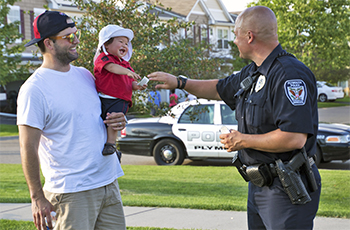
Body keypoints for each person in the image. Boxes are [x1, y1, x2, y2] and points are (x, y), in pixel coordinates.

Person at [148, 6, 321, 230]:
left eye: (235, 34)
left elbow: (293, 138)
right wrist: (180, 82)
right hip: (260, 185)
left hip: (286, 188)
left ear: (250, 36)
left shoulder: (289, 75)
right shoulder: (253, 72)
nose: (234, 40)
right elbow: (219, 88)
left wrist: (243, 140)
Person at [18, 11, 127, 230]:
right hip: (71, 193)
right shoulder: (34, 89)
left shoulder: (85, 75)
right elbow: (27, 147)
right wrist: (37, 197)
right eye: (69, 37)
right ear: (49, 43)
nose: (76, 40)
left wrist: (117, 120)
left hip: (108, 183)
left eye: (76, 34)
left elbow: (95, 119)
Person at [94, 25, 146, 155]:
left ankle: (111, 143)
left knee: (114, 120)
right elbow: (111, 68)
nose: (125, 45)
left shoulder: (125, 64)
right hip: (102, 97)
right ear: (106, 45)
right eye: (120, 42)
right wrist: (127, 72)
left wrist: (137, 85)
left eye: (126, 43)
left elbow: (131, 83)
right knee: (100, 121)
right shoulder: (103, 58)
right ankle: (99, 142)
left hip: (119, 99)